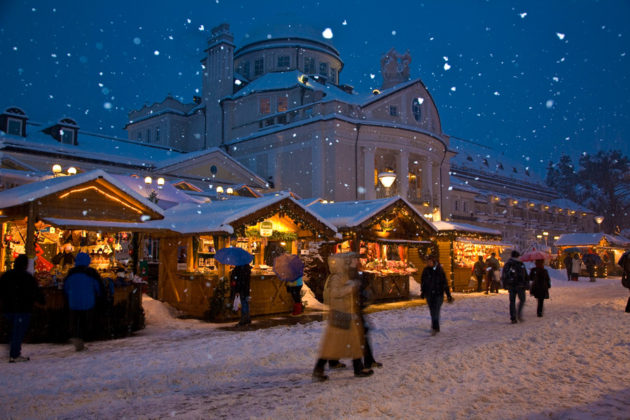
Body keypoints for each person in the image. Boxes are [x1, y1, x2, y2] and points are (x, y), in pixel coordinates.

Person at [312, 252, 373, 381]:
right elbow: (334, 293)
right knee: (332, 345)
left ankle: (358, 368)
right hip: (340, 314)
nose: (355, 262)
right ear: (345, 262)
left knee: (354, 342)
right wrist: (349, 288)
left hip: (347, 313)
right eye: (352, 260)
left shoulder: (345, 275)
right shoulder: (337, 277)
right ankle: (318, 370)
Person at [0, 255, 45, 362]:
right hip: (22, 309)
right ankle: (14, 354)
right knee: (18, 331)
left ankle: (13, 350)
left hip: (8, 308)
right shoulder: (27, 277)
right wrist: (41, 300)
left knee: (12, 330)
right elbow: (36, 292)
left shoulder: (7, 275)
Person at [63, 252, 102, 351]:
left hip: (73, 302)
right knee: (86, 321)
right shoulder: (91, 273)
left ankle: (76, 336)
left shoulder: (71, 273)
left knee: (76, 321)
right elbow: (98, 287)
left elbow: (66, 287)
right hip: (88, 302)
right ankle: (82, 338)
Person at [420, 255, 454, 336]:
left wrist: (448, 295)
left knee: (436, 310)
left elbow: (444, 283)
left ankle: (435, 327)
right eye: (427, 262)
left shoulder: (439, 270)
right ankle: (435, 326)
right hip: (429, 294)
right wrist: (423, 292)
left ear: (433, 262)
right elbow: (423, 282)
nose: (428, 263)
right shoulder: (425, 271)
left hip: (438, 294)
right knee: (432, 311)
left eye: (430, 261)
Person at [501, 250, 529, 323]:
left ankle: (513, 317)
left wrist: (505, 284)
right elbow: (525, 275)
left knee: (512, 301)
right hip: (520, 285)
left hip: (511, 285)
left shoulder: (508, 264)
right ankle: (518, 314)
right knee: (522, 299)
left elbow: (504, 275)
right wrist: (526, 284)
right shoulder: (520, 264)